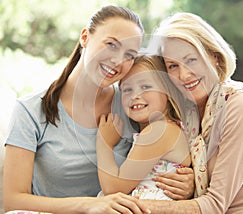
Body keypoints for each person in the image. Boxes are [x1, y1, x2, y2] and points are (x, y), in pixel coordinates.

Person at [2, 6, 194, 214]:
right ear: (85, 37)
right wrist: (89, 205)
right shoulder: (30, 111)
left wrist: (188, 181)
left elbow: (167, 148)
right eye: (111, 44)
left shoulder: (132, 103)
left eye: (129, 54)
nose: (117, 60)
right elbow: (13, 201)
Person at [139, 12, 243, 213]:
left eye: (191, 60)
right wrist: (190, 184)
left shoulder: (240, 105)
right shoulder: (185, 112)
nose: (184, 75)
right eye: (173, 66)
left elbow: (214, 204)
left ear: (214, 56)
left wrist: (128, 207)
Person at [96, 55, 196, 200]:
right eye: (127, 89)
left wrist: (104, 142)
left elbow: (113, 189)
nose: (135, 95)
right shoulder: (166, 129)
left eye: (145, 87)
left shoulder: (159, 131)